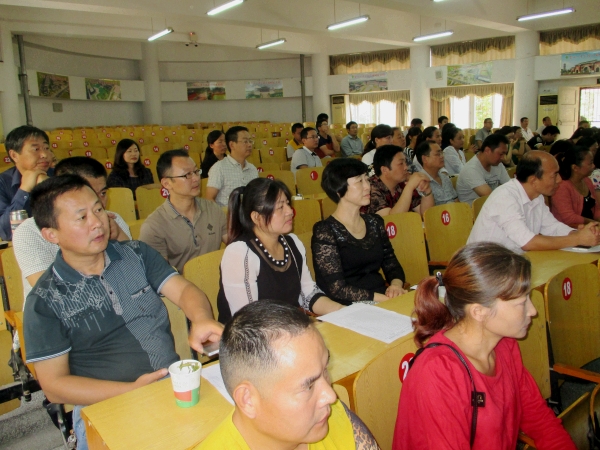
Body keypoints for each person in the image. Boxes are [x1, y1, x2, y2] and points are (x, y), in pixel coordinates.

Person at [23, 175, 223, 449]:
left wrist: (201, 318)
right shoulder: (45, 299)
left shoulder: (136, 254)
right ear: (51, 234)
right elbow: (54, 385)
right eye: (82, 217)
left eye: (98, 209)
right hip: (107, 406)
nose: (98, 222)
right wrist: (130, 391)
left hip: (171, 387)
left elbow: (185, 290)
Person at [393, 242, 576, 450]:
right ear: (479, 311)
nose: (533, 311)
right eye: (521, 302)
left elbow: (540, 420)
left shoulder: (504, 344)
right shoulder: (437, 373)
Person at [197, 301, 379, 450]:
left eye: (325, 370)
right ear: (248, 400)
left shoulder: (332, 417)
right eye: (308, 386)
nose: (331, 396)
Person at [216, 178, 342, 323]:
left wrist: (342, 310)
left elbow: (308, 295)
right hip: (253, 333)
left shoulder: (293, 243)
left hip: (288, 326)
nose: (290, 212)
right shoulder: (240, 253)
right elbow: (248, 320)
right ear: (257, 217)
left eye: (288, 203)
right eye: (280, 207)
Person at [13, 156, 132, 304]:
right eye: (88, 193)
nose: (99, 203)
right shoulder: (29, 232)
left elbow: (136, 274)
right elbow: (52, 296)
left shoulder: (113, 219)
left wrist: (119, 237)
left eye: (102, 193)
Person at [312, 158, 407, 305]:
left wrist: (396, 286)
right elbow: (337, 289)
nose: (367, 186)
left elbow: (391, 264)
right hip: (348, 306)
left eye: (367, 180)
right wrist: (383, 299)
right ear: (339, 190)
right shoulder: (325, 231)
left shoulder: (375, 222)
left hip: (381, 297)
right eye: (359, 182)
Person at [468, 151, 600, 254]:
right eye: (554, 175)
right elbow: (527, 242)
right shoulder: (505, 197)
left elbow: (552, 227)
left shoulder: (537, 196)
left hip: (511, 263)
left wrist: (577, 233)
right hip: (484, 268)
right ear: (533, 180)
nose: (559, 180)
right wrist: (577, 239)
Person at [139, 150, 227, 274]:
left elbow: (234, 243)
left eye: (196, 171)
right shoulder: (154, 226)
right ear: (167, 183)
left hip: (217, 280)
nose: (196, 178)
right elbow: (159, 276)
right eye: (187, 175)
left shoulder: (213, 209)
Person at [0, 125, 52, 241]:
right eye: (36, 149)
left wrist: (50, 187)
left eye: (46, 148)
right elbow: (5, 232)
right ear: (14, 155)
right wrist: (24, 190)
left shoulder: (60, 174)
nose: (44, 155)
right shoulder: (2, 182)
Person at [362, 145, 433, 216]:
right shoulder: (371, 188)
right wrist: (409, 187)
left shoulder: (401, 184)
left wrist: (427, 190)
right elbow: (391, 220)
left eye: (405, 163)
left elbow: (425, 215)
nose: (406, 167)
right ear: (385, 170)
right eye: (401, 164)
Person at [206, 126, 259, 207]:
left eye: (250, 141)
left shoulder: (252, 169)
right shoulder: (219, 168)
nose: (249, 145)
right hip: (225, 213)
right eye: (245, 141)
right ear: (232, 145)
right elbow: (209, 199)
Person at [551, 146, 600, 228]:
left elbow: (596, 207)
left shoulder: (587, 180)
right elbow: (569, 218)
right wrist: (595, 223)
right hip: (570, 229)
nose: (593, 166)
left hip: (590, 227)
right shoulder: (561, 187)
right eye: (590, 163)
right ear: (575, 168)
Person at [456, 134, 511, 206]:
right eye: (501, 154)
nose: (503, 158)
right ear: (487, 150)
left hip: (492, 208)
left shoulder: (497, 164)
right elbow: (490, 197)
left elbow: (510, 188)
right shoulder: (471, 169)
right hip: (475, 211)